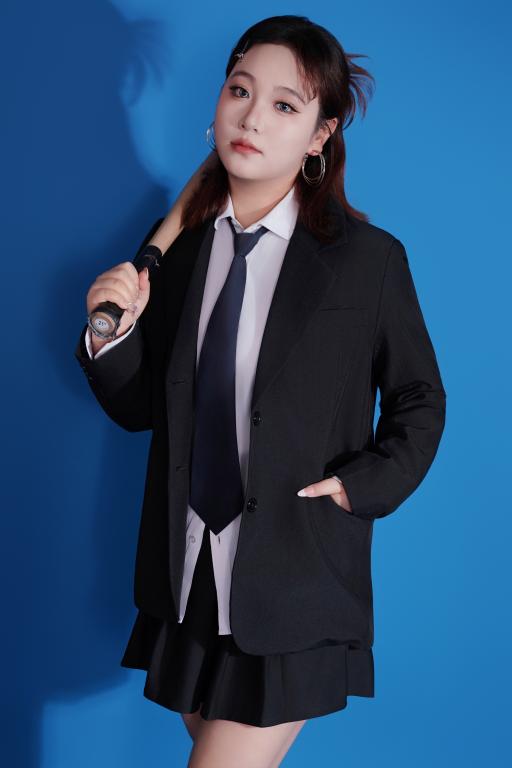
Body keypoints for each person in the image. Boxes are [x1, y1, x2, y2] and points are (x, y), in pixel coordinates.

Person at [74, 14, 447, 768]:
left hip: (297, 580)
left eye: (284, 104)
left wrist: (359, 486)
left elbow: (420, 398)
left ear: (320, 134)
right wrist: (109, 338)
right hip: (187, 578)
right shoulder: (177, 251)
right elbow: (143, 409)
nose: (251, 118)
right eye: (239, 91)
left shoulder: (367, 261)